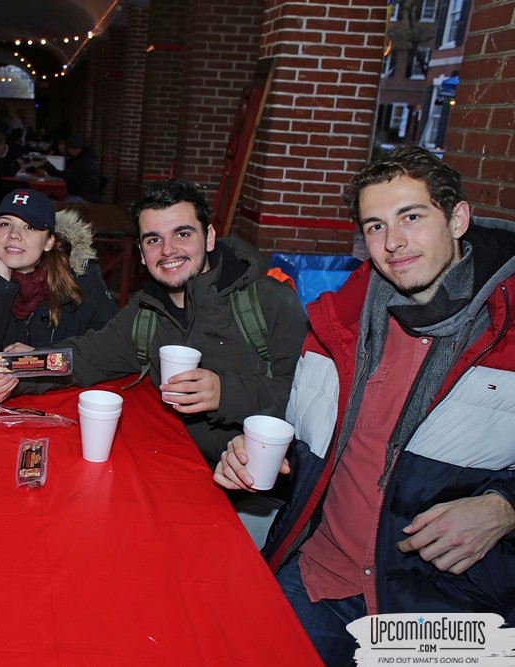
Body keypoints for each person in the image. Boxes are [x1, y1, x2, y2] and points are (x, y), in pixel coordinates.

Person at [214, 144, 515, 665]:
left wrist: (504, 508)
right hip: (319, 579)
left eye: (412, 217)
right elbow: (309, 454)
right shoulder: (337, 325)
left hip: (446, 608)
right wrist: (253, 455)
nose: (393, 242)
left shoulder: (506, 333)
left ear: (458, 218)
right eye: (374, 226)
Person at [0, 179, 307, 545]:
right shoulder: (147, 312)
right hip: (174, 480)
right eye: (153, 239)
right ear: (141, 249)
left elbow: (302, 405)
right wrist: (17, 369)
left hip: (252, 497)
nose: (168, 250)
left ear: (209, 236)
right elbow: (85, 356)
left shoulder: (269, 302)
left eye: (182, 233)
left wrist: (224, 392)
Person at [0, 188, 119, 366]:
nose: (14, 235)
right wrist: (0, 281)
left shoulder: (81, 278)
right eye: (5, 224)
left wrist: (42, 357)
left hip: (65, 391)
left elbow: (114, 348)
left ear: (49, 242)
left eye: (29, 226)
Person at [43, 133, 102, 203]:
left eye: (68, 148)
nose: (68, 151)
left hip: (83, 197)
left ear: (74, 148)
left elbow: (65, 175)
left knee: (54, 205)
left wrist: (47, 166)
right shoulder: (82, 158)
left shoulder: (83, 161)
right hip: (83, 194)